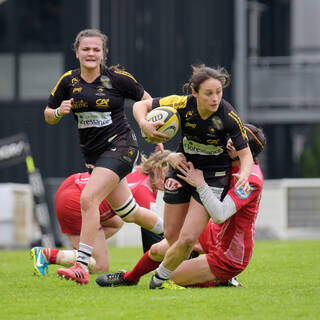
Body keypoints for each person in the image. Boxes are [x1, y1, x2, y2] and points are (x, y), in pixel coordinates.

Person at [43, 28, 163, 285]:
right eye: (85, 49)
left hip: (122, 146)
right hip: (95, 157)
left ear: (103, 54)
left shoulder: (118, 78)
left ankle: (81, 266)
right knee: (130, 212)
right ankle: (180, 238)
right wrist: (58, 112)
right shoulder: (68, 81)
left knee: (89, 198)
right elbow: (48, 114)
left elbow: (148, 102)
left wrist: (153, 129)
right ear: (76, 52)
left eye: (96, 49)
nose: (90, 53)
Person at [95, 124, 265, 289]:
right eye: (235, 137)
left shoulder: (251, 180)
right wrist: (171, 156)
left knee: (170, 277)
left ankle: (222, 280)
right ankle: (129, 278)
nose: (231, 141)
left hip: (230, 252)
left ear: (248, 151)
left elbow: (220, 214)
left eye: (239, 141)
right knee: (156, 250)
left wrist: (200, 184)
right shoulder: (227, 158)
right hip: (214, 233)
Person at [132, 65, 254, 289]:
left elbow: (246, 156)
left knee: (188, 238)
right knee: (171, 235)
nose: (215, 98)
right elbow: (140, 105)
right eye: (209, 93)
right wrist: (144, 124)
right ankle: (195, 270)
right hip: (181, 169)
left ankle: (159, 279)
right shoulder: (182, 103)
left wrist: (245, 175)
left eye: (219, 92)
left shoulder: (228, 116)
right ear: (195, 93)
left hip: (213, 177)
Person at [31, 150, 170, 276]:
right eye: (169, 172)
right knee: (101, 266)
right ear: (157, 166)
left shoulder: (138, 171)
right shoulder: (144, 188)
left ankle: (78, 254)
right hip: (75, 200)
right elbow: (152, 235)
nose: (172, 178)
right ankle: (47, 255)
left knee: (116, 222)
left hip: (71, 186)